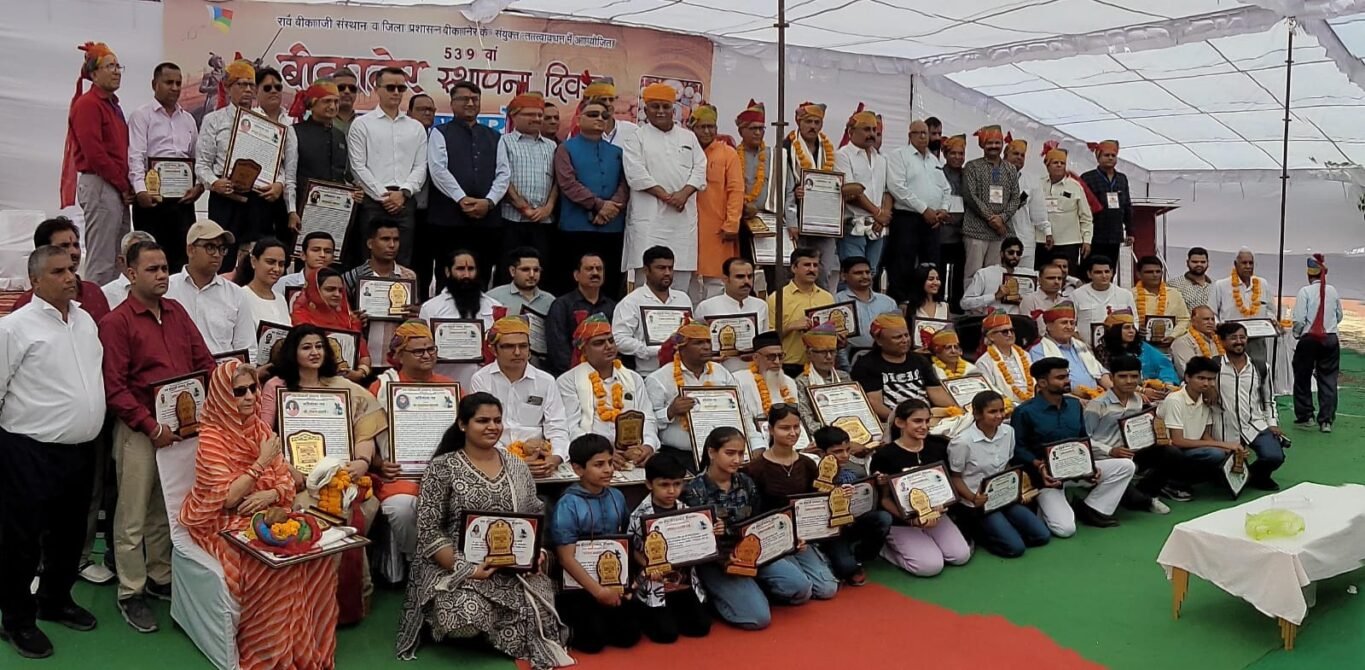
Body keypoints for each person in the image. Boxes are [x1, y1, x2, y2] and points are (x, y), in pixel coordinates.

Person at [179, 361, 339, 670]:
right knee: (271, 568)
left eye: (253, 388)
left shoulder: (260, 428)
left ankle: (303, 650)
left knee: (316, 559)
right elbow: (228, 498)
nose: (251, 397)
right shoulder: (211, 437)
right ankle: (269, 655)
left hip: (268, 512)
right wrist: (261, 463)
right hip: (221, 521)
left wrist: (270, 495)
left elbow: (286, 481)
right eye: (240, 392)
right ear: (224, 396)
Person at [394, 393, 574, 667]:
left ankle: (492, 629)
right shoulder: (443, 467)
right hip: (455, 566)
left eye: (497, 420)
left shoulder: (516, 466)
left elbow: (533, 515)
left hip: (512, 568)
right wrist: (467, 569)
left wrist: (534, 553)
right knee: (463, 617)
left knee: (539, 613)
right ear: (462, 424)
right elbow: (429, 530)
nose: (492, 427)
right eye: (482, 421)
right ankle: (471, 626)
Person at [100, 240, 215, 632]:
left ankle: (159, 575)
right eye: (152, 269)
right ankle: (130, 591)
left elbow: (204, 362)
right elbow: (115, 388)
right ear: (131, 274)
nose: (162, 275)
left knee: (165, 508)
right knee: (132, 514)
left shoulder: (177, 311)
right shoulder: (116, 323)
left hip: (181, 430)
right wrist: (150, 426)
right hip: (139, 431)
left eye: (165, 268)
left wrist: (214, 398)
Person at [0, 246, 106, 658]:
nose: (69, 277)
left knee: (70, 533)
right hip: (29, 451)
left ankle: (55, 599)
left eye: (71, 269)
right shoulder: (14, 328)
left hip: (79, 450)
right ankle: (17, 620)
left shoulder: (85, 321)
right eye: (58, 271)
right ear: (35, 281)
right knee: (22, 540)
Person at [256, 324, 384, 623]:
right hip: (295, 478)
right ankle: (314, 601)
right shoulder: (276, 386)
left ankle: (348, 599)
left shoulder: (341, 386)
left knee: (361, 505)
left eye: (318, 346)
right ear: (293, 352)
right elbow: (262, 435)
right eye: (306, 347)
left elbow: (366, 426)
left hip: (343, 475)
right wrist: (288, 469)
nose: (314, 352)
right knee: (315, 510)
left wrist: (363, 461)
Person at [683, 427, 821, 631]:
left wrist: (788, 539)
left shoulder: (746, 481)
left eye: (741, 453)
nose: (737, 460)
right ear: (712, 452)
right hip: (719, 561)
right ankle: (718, 598)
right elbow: (695, 542)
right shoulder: (694, 490)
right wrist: (725, 559)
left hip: (754, 551)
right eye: (730, 453)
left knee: (801, 589)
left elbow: (760, 520)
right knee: (758, 618)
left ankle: (754, 589)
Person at [369, 320, 455, 583]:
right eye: (418, 351)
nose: (427, 355)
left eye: (431, 349)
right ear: (399, 356)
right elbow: (363, 436)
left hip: (444, 474)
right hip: (399, 476)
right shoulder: (381, 388)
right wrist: (378, 463)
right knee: (401, 508)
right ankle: (417, 560)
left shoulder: (451, 387)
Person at [1011, 358, 1136, 535]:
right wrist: (1039, 466)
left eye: (1067, 376)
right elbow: (1018, 449)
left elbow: (1082, 439)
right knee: (1066, 529)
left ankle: (1092, 509)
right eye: (1060, 377)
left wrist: (1091, 467)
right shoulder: (1024, 411)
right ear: (1042, 383)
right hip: (1046, 478)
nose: (1067, 381)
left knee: (1126, 466)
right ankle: (1045, 505)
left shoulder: (1074, 405)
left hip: (1078, 469)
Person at [550, 435, 641, 653]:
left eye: (610, 463)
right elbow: (566, 558)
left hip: (613, 576)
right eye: (599, 465)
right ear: (578, 469)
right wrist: (599, 592)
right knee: (592, 643)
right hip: (580, 583)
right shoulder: (568, 504)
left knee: (628, 637)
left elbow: (625, 541)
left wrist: (629, 581)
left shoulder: (617, 496)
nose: (608, 470)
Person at [196, 57, 283, 271]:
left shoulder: (267, 122)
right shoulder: (214, 120)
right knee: (222, 257)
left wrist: (279, 184)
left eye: (251, 85)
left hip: (258, 200)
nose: (247, 90)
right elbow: (202, 165)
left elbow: (278, 166)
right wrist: (215, 183)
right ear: (227, 87)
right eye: (241, 84)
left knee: (256, 260)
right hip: (225, 198)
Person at [622, 83, 708, 291]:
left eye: (665, 106)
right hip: (649, 221)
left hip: (682, 221)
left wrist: (684, 194)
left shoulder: (688, 137)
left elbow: (700, 168)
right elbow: (636, 173)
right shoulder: (637, 137)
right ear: (646, 110)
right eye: (655, 106)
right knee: (647, 284)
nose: (660, 111)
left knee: (680, 284)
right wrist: (667, 197)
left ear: (674, 109)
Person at [745, 406, 841, 589]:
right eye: (785, 428)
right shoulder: (755, 468)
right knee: (800, 588)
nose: (792, 433)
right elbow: (753, 511)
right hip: (770, 537)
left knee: (827, 589)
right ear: (770, 429)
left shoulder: (808, 463)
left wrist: (839, 495)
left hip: (802, 537)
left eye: (796, 427)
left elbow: (816, 500)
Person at [872, 400, 974, 571]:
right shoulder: (884, 455)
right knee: (930, 566)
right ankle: (885, 549)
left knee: (960, 556)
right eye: (917, 421)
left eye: (927, 421)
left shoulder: (938, 447)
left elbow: (946, 485)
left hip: (936, 514)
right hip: (903, 520)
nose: (924, 426)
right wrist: (911, 520)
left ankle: (927, 541)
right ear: (900, 422)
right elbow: (884, 500)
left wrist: (943, 506)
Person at [947, 391, 1050, 558]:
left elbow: (1007, 465)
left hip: (1004, 496)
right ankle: (978, 532)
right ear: (977, 414)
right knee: (1015, 548)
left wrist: (1019, 489)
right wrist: (973, 498)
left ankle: (1003, 529)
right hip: (978, 503)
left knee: (1042, 536)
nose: (1000, 415)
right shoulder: (962, 442)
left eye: (1002, 410)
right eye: (992, 412)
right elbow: (955, 477)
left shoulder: (1008, 432)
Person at [63, 42, 131, 286]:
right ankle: (94, 305)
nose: (116, 71)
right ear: (93, 74)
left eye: (118, 66)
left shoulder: (112, 104)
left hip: (114, 184)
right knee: (102, 260)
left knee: (120, 258)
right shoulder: (88, 104)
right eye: (110, 66)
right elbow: (95, 155)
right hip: (101, 182)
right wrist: (123, 186)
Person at [626, 456, 712, 643]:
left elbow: (699, 543)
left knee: (700, 627)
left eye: (677, 484)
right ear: (649, 484)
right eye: (664, 485)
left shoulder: (688, 511)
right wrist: (649, 566)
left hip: (683, 579)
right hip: (655, 581)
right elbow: (632, 550)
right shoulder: (639, 515)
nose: (672, 491)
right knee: (666, 635)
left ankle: (676, 611)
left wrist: (712, 532)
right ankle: (644, 610)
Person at [427, 81, 508, 279]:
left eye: (475, 99)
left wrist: (489, 202)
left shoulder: (495, 136)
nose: (470, 103)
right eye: (464, 99)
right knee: (448, 273)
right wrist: (461, 199)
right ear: (452, 103)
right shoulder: (440, 132)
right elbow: (438, 169)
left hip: (486, 220)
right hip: (449, 219)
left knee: (482, 273)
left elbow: (503, 173)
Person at [471, 316, 570, 476]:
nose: (517, 352)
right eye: (509, 346)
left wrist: (556, 457)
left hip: (540, 460)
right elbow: (482, 430)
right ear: (493, 350)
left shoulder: (546, 381)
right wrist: (515, 461)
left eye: (523, 346)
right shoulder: (481, 379)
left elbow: (557, 426)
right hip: (496, 461)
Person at [347, 67, 427, 267]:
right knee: (369, 260)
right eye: (390, 87)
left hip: (405, 201)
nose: (396, 92)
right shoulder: (362, 124)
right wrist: (384, 196)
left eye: (401, 88)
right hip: (373, 202)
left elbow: (420, 167)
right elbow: (358, 166)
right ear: (377, 89)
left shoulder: (416, 127)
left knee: (403, 261)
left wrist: (404, 193)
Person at [1083, 354, 1180, 514]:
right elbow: (1085, 440)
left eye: (1134, 376)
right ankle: (1139, 498)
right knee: (1133, 501)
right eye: (1122, 376)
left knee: (1171, 452)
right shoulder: (1097, 405)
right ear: (1112, 378)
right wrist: (1110, 450)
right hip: (1105, 458)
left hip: (1132, 452)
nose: (1129, 381)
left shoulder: (1138, 400)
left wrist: (1154, 438)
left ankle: (1147, 492)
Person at [128, 62, 201, 273]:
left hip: (182, 200)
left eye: (178, 83)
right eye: (169, 82)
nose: (175, 88)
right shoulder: (141, 115)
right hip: (151, 198)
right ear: (154, 84)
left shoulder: (188, 119)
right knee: (150, 257)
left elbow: (197, 158)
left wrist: (199, 187)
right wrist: (140, 190)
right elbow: (136, 156)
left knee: (183, 259)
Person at [557, 314, 658, 463]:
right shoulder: (568, 381)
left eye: (611, 340)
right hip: (591, 458)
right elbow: (570, 427)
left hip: (634, 456)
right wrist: (602, 452)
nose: (608, 346)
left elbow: (648, 418)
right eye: (599, 343)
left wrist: (647, 446)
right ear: (583, 350)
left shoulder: (633, 378)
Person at [553, 99, 628, 298]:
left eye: (604, 116)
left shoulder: (617, 152)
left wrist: (611, 208)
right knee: (573, 285)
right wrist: (599, 205)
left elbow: (625, 184)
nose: (600, 119)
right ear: (579, 119)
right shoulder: (565, 149)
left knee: (609, 284)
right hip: (576, 228)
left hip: (612, 228)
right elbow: (568, 184)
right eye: (593, 114)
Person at [1157, 356, 1262, 497]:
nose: (1207, 383)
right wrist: (1223, 445)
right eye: (1201, 378)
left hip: (1190, 448)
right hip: (1171, 450)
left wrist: (1229, 449)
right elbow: (1178, 440)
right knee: (1214, 453)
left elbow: (1204, 434)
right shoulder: (1174, 400)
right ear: (1187, 377)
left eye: (1211, 379)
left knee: (1222, 452)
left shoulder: (1205, 400)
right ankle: (1171, 483)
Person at [645, 322, 744, 470]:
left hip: (720, 454)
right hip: (678, 456)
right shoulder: (659, 379)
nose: (706, 347)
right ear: (681, 348)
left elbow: (741, 411)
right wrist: (670, 411)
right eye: (698, 343)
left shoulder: (721, 373)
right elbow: (648, 422)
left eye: (708, 342)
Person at [809, 425, 893, 580]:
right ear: (821, 453)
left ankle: (860, 555)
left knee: (883, 518)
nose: (845, 455)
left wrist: (878, 483)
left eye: (848, 450)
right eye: (837, 452)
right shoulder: (813, 476)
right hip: (830, 530)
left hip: (852, 522)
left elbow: (866, 500)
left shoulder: (851, 473)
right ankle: (828, 555)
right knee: (846, 568)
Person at [165, 220, 257, 359]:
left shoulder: (236, 294)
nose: (217, 254)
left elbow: (247, 348)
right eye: (210, 247)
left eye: (221, 248)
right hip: (178, 369)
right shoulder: (167, 289)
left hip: (223, 369)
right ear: (190, 250)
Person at [1212, 323, 1287, 488]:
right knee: (1218, 473)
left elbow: (1268, 399)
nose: (1239, 341)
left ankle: (1255, 476)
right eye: (1233, 338)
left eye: (1242, 337)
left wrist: (1272, 423)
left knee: (1274, 456)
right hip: (1223, 427)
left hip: (1255, 424)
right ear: (1222, 341)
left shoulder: (1261, 367)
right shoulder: (1213, 366)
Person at [886, 120, 952, 301]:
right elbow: (897, 187)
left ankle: (927, 303)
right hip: (907, 218)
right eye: (919, 133)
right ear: (910, 135)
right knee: (903, 263)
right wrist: (923, 209)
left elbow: (946, 189)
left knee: (931, 265)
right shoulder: (899, 156)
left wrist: (943, 209)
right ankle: (901, 302)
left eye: (926, 133)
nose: (923, 137)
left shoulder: (933, 160)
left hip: (933, 220)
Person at [288, 79, 354, 257]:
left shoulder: (339, 135)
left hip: (335, 211)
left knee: (332, 259)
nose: (332, 106)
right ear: (312, 103)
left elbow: (344, 174)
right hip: (305, 209)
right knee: (306, 257)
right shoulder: (296, 132)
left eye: (336, 101)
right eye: (327, 101)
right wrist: (291, 211)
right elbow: (290, 177)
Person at [341, 219, 419, 365]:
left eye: (396, 239)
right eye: (385, 239)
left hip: (397, 360)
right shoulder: (351, 277)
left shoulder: (408, 277)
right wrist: (353, 319)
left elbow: (414, 321)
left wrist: (415, 314)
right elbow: (340, 318)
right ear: (370, 243)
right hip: (361, 360)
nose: (392, 245)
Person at [420, 249, 502, 387]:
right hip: (447, 383)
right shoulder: (430, 308)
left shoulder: (494, 306)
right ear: (448, 272)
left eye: (471, 269)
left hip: (487, 386)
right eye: (460, 269)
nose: (466, 275)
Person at [781, 102, 840, 289]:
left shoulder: (827, 149)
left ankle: (822, 304)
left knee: (823, 271)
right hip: (797, 219)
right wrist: (791, 220)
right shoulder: (786, 147)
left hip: (824, 220)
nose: (813, 126)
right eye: (808, 122)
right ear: (798, 122)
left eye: (817, 122)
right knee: (798, 270)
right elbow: (785, 187)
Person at [851, 314, 952, 423]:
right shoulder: (866, 365)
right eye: (897, 337)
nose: (905, 340)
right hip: (892, 423)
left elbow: (936, 392)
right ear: (879, 341)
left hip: (927, 418)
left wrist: (958, 408)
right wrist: (903, 421)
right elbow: (875, 404)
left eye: (906, 335)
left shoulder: (920, 360)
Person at [13, 217, 112, 325]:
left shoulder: (93, 292)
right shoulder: (25, 303)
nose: (74, 252)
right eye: (64, 246)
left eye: (76, 245)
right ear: (43, 251)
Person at [691, 103, 744, 302]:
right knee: (688, 278)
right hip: (687, 228)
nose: (707, 131)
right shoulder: (686, 151)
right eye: (702, 127)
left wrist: (732, 224)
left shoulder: (727, 153)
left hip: (717, 229)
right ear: (692, 128)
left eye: (711, 126)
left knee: (715, 280)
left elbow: (736, 190)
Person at [613, 246, 693, 375]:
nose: (667, 273)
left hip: (686, 372)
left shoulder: (683, 299)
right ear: (646, 270)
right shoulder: (631, 301)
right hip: (648, 373)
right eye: (661, 268)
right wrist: (654, 350)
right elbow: (619, 339)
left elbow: (691, 332)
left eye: (670, 268)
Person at [498, 92, 559, 259]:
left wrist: (548, 208)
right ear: (514, 116)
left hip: (543, 220)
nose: (537, 119)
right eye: (530, 114)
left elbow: (556, 182)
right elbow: (502, 178)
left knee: (541, 267)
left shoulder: (551, 146)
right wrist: (523, 207)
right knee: (511, 265)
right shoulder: (504, 142)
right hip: (511, 219)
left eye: (539, 115)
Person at [289, 267, 373, 380]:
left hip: (347, 384)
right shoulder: (299, 320)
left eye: (340, 290)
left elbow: (364, 356)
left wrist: (360, 373)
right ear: (314, 290)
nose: (337, 294)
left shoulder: (350, 320)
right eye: (330, 289)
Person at [834, 105, 890, 273]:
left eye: (874, 130)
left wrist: (883, 216)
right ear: (851, 132)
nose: (871, 134)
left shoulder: (881, 159)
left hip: (877, 227)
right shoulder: (842, 155)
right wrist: (877, 212)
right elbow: (851, 192)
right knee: (853, 274)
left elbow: (887, 191)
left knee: (870, 274)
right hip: (853, 227)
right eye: (866, 129)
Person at [961, 126, 1020, 281]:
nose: (994, 146)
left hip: (999, 233)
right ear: (982, 145)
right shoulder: (972, 167)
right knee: (974, 274)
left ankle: (991, 299)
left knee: (995, 275)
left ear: (1002, 144)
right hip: (976, 230)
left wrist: (1002, 218)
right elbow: (970, 196)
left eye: (997, 143)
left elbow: (1015, 198)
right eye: (989, 143)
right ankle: (972, 298)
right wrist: (992, 219)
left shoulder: (1010, 169)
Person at [250, 67, 299, 251]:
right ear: (256, 90)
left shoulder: (290, 124)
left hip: (280, 197)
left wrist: (291, 210)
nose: (274, 91)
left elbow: (290, 170)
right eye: (267, 88)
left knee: (279, 253)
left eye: (278, 87)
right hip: (252, 196)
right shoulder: (249, 119)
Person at [545, 253, 617, 377]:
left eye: (599, 269)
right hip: (570, 375)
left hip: (606, 375)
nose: (595, 273)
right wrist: (580, 373)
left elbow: (616, 341)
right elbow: (557, 347)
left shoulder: (612, 306)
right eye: (589, 269)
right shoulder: (562, 305)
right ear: (576, 275)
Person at [1291, 255, 1341, 432]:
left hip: (1310, 338)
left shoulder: (1304, 292)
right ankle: (1326, 420)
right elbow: (1339, 315)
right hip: (1330, 338)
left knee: (1302, 376)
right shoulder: (1333, 291)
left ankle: (1306, 416)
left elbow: (1299, 319)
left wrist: (1297, 334)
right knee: (1328, 378)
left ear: (1309, 275)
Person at [694, 257, 768, 373]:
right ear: (725, 279)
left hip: (752, 373)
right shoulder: (707, 307)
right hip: (716, 373)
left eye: (750, 276)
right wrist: (709, 357)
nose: (746, 282)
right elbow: (694, 345)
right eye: (740, 277)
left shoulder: (761, 306)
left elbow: (765, 343)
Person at [1209, 249, 1277, 373]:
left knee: (1259, 369)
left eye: (1251, 263)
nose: (1248, 266)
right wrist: (1220, 327)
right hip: (1232, 339)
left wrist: (1271, 322)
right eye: (1244, 263)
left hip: (1257, 338)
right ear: (1235, 264)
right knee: (1232, 371)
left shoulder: (1262, 284)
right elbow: (1212, 313)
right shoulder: (1221, 285)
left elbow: (1271, 310)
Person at [734, 332, 802, 453]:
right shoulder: (739, 380)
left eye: (780, 356)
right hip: (755, 446)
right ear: (756, 358)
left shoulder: (789, 382)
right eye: (771, 357)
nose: (777, 361)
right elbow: (743, 421)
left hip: (791, 444)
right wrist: (758, 446)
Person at [769, 247, 834, 373]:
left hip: (820, 366)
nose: (812, 269)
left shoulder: (827, 297)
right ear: (794, 268)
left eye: (815, 265)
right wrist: (791, 326)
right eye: (807, 265)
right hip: (788, 366)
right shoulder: (777, 298)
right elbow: (769, 338)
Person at [1028, 301, 1111, 396]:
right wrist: (1077, 400)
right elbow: (1048, 386)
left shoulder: (1081, 345)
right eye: (1064, 323)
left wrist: (1115, 394)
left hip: (1096, 397)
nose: (1069, 327)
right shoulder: (1039, 350)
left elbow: (1101, 373)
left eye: (1072, 323)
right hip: (1065, 399)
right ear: (1049, 326)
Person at [836, 255, 899, 369]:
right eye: (858, 273)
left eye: (867, 272)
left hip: (885, 359)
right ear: (844, 276)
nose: (865, 276)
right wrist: (845, 367)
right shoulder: (837, 301)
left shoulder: (888, 302)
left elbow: (897, 332)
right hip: (851, 359)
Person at [734, 100, 771, 289]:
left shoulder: (775, 155)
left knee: (775, 275)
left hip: (770, 222)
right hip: (742, 222)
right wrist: (742, 206)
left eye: (761, 128)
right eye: (753, 128)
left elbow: (787, 190)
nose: (758, 133)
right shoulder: (732, 155)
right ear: (741, 131)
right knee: (744, 269)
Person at [1039, 145, 1092, 274]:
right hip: (1042, 241)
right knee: (1044, 276)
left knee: (1068, 278)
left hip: (1069, 243)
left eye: (1062, 163)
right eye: (1055, 162)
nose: (1059, 165)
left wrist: (1087, 240)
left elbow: (1086, 216)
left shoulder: (1075, 186)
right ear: (1047, 165)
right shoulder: (1038, 184)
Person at [1079, 140, 1133, 266]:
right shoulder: (1087, 178)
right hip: (1094, 235)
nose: (1110, 158)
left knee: (1110, 269)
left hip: (1115, 234)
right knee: (1090, 269)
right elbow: (1081, 208)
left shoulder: (1122, 178)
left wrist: (1130, 231)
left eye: (1113, 155)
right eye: (1106, 155)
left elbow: (1127, 205)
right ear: (1098, 157)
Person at [794, 323, 853, 433]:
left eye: (832, 351)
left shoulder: (844, 376)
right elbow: (807, 420)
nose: (829, 357)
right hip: (823, 435)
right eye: (823, 352)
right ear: (809, 354)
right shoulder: (802, 382)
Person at [1098, 310, 1179, 390]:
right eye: (1126, 328)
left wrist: (1168, 383)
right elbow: (1111, 379)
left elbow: (1165, 364)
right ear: (1115, 330)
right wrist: (1141, 391)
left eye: (1133, 327)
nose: (1132, 331)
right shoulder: (1103, 350)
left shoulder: (1142, 346)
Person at [406, 94, 437, 299]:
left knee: (424, 263)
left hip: (430, 214)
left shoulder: (437, 139)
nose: (427, 113)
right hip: (403, 208)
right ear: (409, 113)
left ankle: (422, 305)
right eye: (421, 109)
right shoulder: (403, 140)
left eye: (431, 110)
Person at [961, 236, 1038, 316]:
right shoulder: (985, 273)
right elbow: (965, 303)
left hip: (1020, 320)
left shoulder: (1029, 274)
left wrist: (1026, 300)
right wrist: (994, 296)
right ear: (1002, 254)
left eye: (1018, 253)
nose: (1015, 256)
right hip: (993, 319)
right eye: (1011, 252)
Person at [1071, 255, 1136, 349]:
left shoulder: (1125, 294)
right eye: (1098, 272)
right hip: (1086, 349)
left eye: (1107, 271)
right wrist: (1081, 344)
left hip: (1119, 349)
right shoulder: (1076, 295)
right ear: (1089, 274)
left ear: (1112, 272)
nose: (1104, 276)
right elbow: (1071, 324)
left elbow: (1135, 322)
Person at [1003, 138, 1048, 270]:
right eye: (1015, 153)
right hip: (998, 237)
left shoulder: (1032, 180)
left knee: (1025, 277)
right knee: (999, 276)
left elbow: (1038, 213)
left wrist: (1047, 231)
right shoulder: (994, 175)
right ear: (1005, 155)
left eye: (1022, 155)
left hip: (1024, 238)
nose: (1019, 157)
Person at [977, 311, 1035, 406]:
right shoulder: (984, 362)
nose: (1010, 334)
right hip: (1006, 408)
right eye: (1005, 332)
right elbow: (990, 392)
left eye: (1012, 330)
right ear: (991, 336)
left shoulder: (1025, 355)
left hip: (1033, 402)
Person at [235, 238, 292, 331]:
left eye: (281, 264)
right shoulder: (240, 296)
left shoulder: (281, 299)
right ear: (254, 261)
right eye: (270, 262)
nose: (276, 269)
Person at [1133, 255, 1190, 347]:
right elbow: (1126, 321)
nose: (1155, 275)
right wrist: (1136, 328)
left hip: (1171, 346)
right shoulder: (1131, 295)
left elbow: (1184, 319)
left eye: (1158, 271)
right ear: (1138, 274)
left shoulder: (1174, 294)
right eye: (1149, 272)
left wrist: (1173, 335)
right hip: (1139, 345)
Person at [940, 135, 969, 311]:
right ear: (945, 154)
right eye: (953, 153)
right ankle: (939, 306)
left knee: (959, 272)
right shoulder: (938, 173)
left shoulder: (968, 175)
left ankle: (957, 305)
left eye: (961, 153)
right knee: (940, 270)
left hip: (962, 231)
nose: (957, 157)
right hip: (942, 230)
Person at [488, 247, 555, 317]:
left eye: (536, 270)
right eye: (525, 269)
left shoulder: (550, 301)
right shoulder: (494, 297)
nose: (532, 275)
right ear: (512, 271)